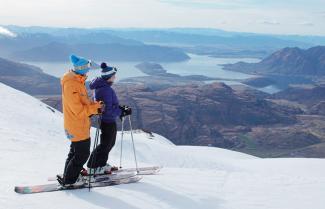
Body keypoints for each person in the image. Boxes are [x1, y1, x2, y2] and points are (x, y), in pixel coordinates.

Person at [58, 54, 103, 186]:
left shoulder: (77, 80)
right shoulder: (72, 84)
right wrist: (95, 110)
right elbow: (77, 110)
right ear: (82, 68)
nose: (89, 68)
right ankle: (70, 180)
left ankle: (69, 176)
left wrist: (96, 106)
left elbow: (83, 103)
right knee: (82, 155)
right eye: (88, 66)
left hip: (79, 124)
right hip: (77, 125)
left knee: (75, 152)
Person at [87, 62, 132, 175]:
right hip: (107, 120)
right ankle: (94, 166)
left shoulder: (103, 86)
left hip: (107, 120)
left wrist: (120, 108)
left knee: (108, 143)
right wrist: (121, 111)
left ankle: (100, 164)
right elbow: (108, 110)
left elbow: (108, 105)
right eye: (114, 76)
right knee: (106, 144)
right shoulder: (106, 89)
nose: (115, 77)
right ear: (109, 77)